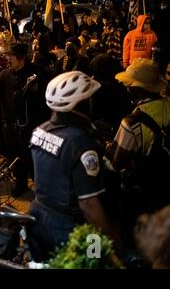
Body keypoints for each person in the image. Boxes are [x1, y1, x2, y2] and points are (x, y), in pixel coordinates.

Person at [27, 71, 122, 262]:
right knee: (92, 263)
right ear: (81, 104)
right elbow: (89, 204)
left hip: (37, 217)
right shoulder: (81, 143)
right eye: (89, 98)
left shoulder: (39, 131)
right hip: (70, 229)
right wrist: (112, 241)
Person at [105, 58, 170, 244]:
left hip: (146, 191)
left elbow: (113, 163)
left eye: (129, 84)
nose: (126, 87)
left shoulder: (132, 123)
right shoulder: (168, 103)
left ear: (139, 88)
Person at [0, 43, 49, 196]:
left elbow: (45, 100)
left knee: (34, 159)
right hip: (11, 126)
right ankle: (21, 183)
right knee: (15, 158)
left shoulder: (36, 73)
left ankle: (41, 188)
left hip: (31, 126)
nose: (7, 59)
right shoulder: (4, 75)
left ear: (21, 58)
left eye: (10, 56)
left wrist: (35, 91)